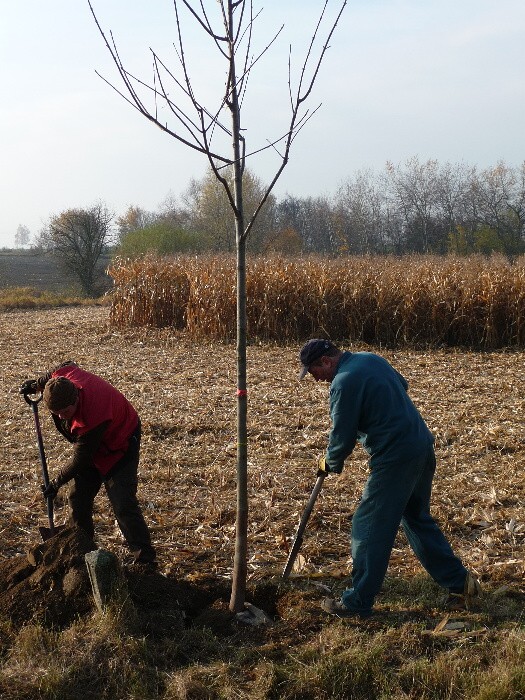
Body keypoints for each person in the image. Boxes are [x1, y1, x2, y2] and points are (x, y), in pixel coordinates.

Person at [298, 338, 481, 618]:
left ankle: (357, 602)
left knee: (368, 526)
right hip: (421, 446)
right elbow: (402, 386)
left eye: (313, 371)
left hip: (396, 459)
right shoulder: (370, 359)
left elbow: (342, 436)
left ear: (326, 361)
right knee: (416, 518)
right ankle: (460, 583)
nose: (315, 379)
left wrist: (330, 462)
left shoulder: (343, 382)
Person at [20, 361, 157, 569]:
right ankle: (83, 550)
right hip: (93, 445)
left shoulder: (93, 414)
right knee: (78, 497)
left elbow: (80, 459)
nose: (61, 416)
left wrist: (56, 483)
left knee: (122, 503)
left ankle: (145, 560)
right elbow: (65, 365)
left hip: (120, 442)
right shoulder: (63, 378)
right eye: (55, 412)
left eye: (65, 411)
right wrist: (37, 385)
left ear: (75, 398)